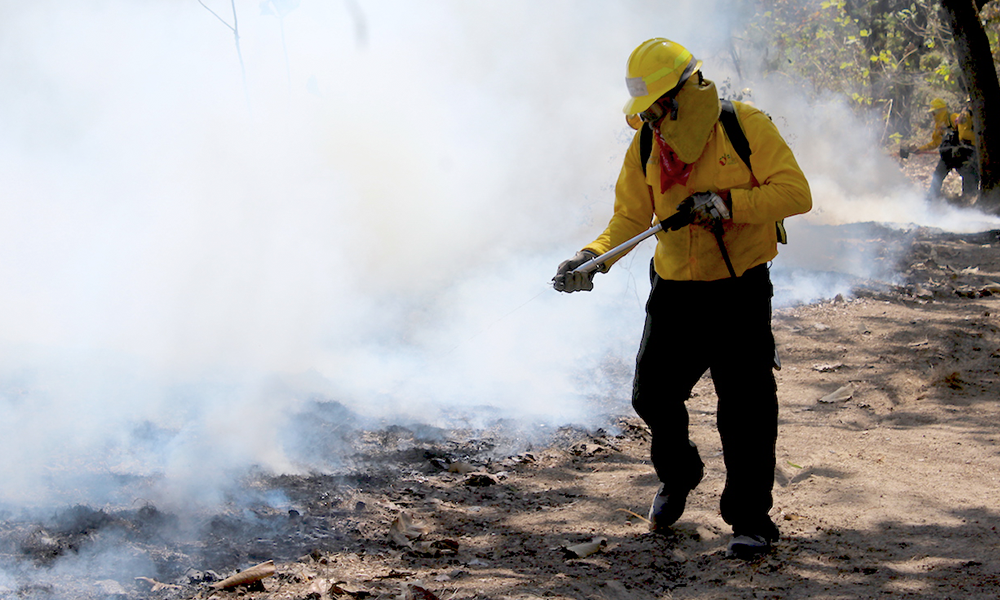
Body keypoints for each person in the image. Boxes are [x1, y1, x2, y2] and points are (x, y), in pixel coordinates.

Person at [552, 38, 812, 558]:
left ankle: (750, 520)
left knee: (746, 407)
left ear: (685, 91)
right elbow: (629, 218)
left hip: (739, 290)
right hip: (674, 291)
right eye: (643, 109)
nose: (649, 117)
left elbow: (796, 193)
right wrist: (593, 256)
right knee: (651, 395)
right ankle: (680, 474)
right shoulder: (649, 144)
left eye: (656, 104)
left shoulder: (745, 126)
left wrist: (726, 203)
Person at [914, 98, 979, 199]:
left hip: (960, 155)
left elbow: (964, 132)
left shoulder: (953, 118)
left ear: (939, 110)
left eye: (934, 112)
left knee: (969, 176)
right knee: (937, 176)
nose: (933, 116)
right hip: (947, 156)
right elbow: (935, 142)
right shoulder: (938, 125)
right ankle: (931, 198)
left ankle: (968, 199)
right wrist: (920, 149)